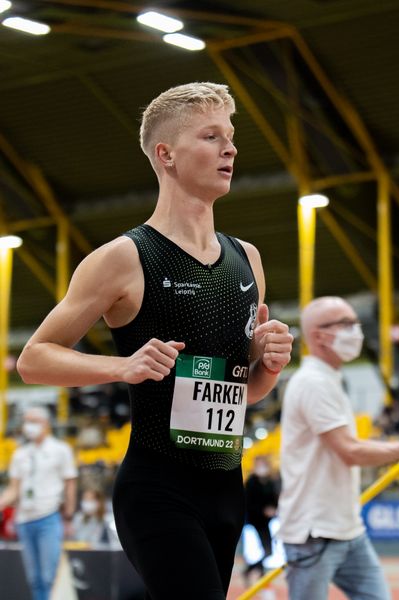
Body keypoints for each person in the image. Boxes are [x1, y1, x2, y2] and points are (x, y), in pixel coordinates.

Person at [16, 82, 293, 599]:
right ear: (165, 154)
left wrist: (268, 367)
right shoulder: (123, 257)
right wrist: (121, 368)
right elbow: (33, 359)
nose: (230, 148)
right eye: (211, 136)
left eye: (230, 136)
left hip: (227, 488)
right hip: (158, 487)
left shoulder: (247, 259)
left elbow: (245, 392)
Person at [278, 296, 399, 600]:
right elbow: (351, 451)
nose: (356, 330)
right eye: (346, 324)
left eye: (355, 323)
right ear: (319, 335)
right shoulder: (313, 383)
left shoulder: (330, 380)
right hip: (314, 532)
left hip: (347, 529)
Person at [0, 406, 77, 600]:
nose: (29, 426)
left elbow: (70, 483)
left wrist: (68, 515)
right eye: (27, 421)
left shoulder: (61, 450)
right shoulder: (20, 454)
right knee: (34, 577)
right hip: (24, 519)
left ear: (46, 424)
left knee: (49, 575)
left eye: (34, 421)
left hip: (49, 517)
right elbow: (14, 489)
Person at [243, 455, 280, 580]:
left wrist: (273, 509)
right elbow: (248, 502)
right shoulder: (251, 482)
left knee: (268, 550)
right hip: (254, 521)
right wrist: (263, 510)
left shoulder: (269, 482)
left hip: (266, 522)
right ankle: (253, 570)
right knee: (265, 549)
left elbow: (274, 499)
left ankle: (254, 570)